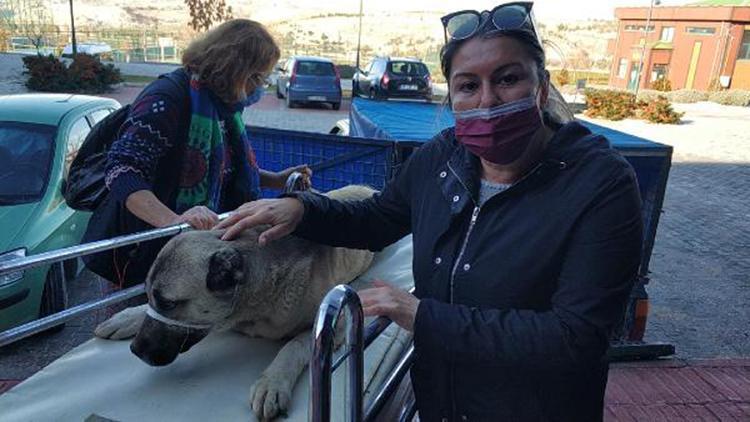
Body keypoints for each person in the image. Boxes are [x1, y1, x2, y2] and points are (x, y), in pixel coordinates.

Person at [218, 3, 642, 421]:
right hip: (441, 403)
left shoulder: (600, 184)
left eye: (508, 79)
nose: (488, 101)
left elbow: (576, 338)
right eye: (468, 86)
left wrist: (422, 317)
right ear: (451, 96)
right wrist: (301, 209)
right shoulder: (444, 157)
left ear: (543, 87)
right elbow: (378, 219)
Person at [82, 19, 310, 287]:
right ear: (234, 69)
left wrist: (277, 179)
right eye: (258, 78)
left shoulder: (222, 107)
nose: (261, 88)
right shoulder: (167, 98)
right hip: (143, 254)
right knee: (134, 326)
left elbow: (222, 171)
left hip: (194, 253)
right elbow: (122, 171)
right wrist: (175, 221)